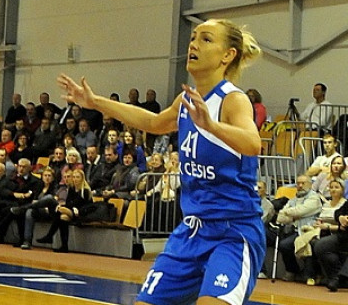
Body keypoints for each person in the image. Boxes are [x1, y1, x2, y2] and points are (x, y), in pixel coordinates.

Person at [58, 18, 264, 305]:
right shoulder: (186, 100)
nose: (193, 44)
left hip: (232, 231)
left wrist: (212, 126)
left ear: (227, 55)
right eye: (193, 38)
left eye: (206, 39)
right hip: (192, 230)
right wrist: (96, 103)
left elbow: (253, 144)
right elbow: (154, 122)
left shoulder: (232, 99)